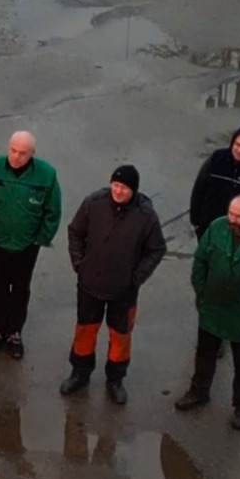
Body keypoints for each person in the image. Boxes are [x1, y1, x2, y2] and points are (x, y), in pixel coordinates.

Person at [174, 193, 240, 431]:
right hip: (211, 309)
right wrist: (201, 293)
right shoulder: (216, 228)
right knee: (204, 354)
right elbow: (200, 262)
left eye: (238, 216)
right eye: (230, 213)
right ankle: (198, 391)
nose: (232, 220)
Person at [62, 164, 166, 405]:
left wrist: (136, 278)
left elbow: (156, 249)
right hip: (90, 284)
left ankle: (115, 379)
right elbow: (75, 232)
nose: (118, 191)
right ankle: (80, 372)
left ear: (134, 191)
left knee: (120, 336)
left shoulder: (146, 216)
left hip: (124, 291)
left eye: (124, 188)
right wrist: (80, 264)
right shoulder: (93, 203)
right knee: (85, 330)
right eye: (116, 185)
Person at [0, 128, 62, 358]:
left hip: (26, 245)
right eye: (13, 150)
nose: (16, 156)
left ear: (32, 154)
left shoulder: (46, 175)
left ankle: (14, 333)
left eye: (23, 153)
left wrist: (40, 239)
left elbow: (53, 211)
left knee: (20, 288)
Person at [188, 121, 240, 238]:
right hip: (208, 229)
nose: (239, 150)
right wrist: (196, 222)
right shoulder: (215, 160)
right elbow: (198, 190)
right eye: (237, 145)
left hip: (239, 234)